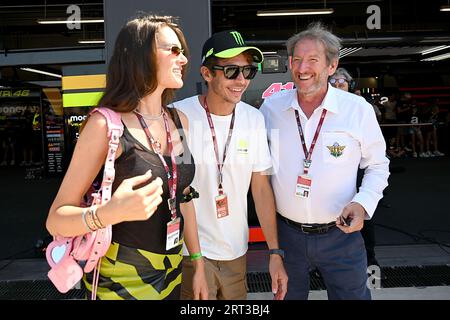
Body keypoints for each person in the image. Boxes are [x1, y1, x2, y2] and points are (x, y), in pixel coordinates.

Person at [46, 14, 208, 300]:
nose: (183, 59)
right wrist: (109, 213)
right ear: (140, 55)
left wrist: (197, 261)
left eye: (183, 51)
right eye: (173, 49)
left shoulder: (179, 120)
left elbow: (183, 195)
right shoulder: (105, 126)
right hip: (120, 280)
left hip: (172, 272)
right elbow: (56, 220)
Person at [260, 22, 390, 300]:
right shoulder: (271, 108)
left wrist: (363, 203)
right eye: (296, 59)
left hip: (340, 237)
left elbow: (378, 164)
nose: (302, 67)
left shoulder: (357, 110)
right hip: (287, 238)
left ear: (332, 66)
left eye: (312, 60)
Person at [173, 30, 288, 300]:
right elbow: (178, 190)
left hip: (237, 252)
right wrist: (196, 256)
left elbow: (260, 188)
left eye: (247, 71)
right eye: (231, 71)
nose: (241, 80)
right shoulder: (179, 116)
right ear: (206, 73)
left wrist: (274, 252)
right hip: (191, 253)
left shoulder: (254, 119)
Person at [329, 68, 381, 268]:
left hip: (357, 170)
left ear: (349, 85)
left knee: (362, 215)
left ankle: (369, 260)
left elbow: (375, 155)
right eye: (333, 81)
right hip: (333, 174)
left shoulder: (360, 107)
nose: (337, 84)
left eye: (342, 81)